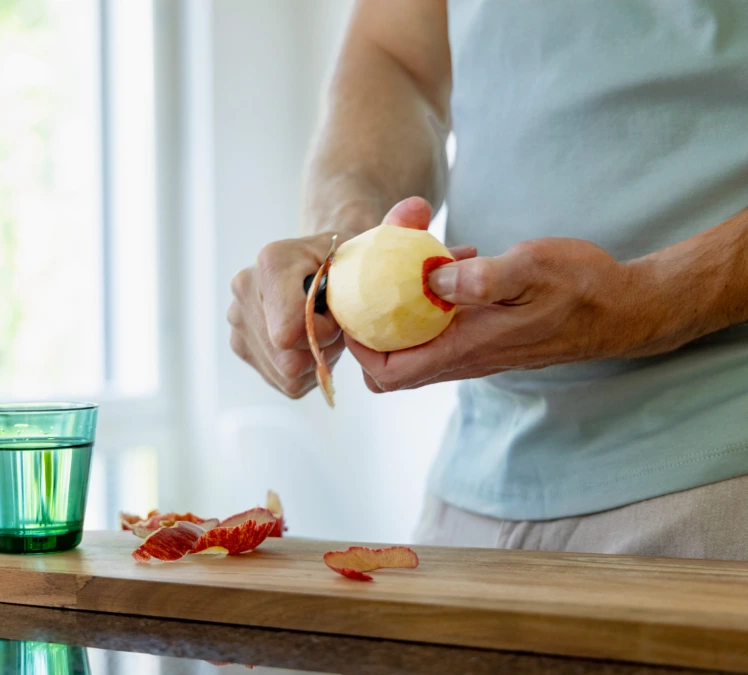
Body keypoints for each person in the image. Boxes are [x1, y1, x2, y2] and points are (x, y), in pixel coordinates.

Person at [227, 0, 748, 559]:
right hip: (471, 492)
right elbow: (397, 58)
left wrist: (651, 300)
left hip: (720, 473)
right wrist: (345, 242)